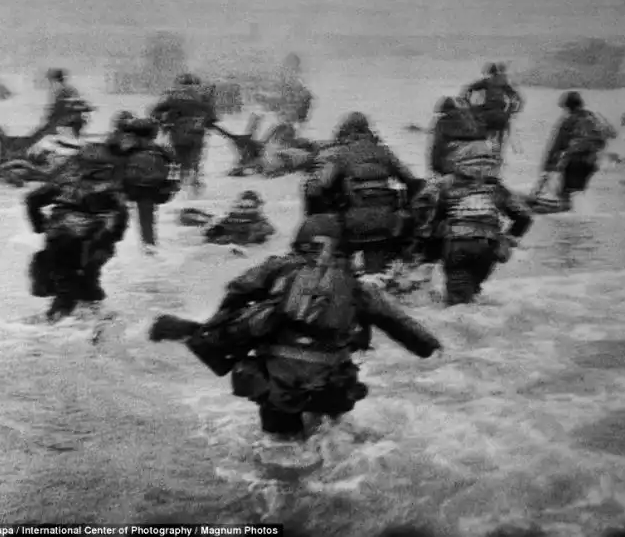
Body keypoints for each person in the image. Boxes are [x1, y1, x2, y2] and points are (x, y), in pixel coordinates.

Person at [148, 214, 441, 463]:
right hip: (332, 386)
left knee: (281, 450)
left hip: (277, 387)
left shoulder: (276, 268)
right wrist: (431, 348)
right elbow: (399, 323)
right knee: (330, 442)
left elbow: (237, 291)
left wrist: (218, 329)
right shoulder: (356, 287)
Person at [304, 112, 426, 274]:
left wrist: (324, 213)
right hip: (386, 225)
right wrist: (406, 210)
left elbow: (319, 188)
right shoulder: (384, 152)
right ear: (368, 131)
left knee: (340, 267)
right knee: (376, 274)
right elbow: (413, 182)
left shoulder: (341, 154)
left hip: (352, 226)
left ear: (344, 133)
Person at [25, 140, 129, 322]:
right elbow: (121, 217)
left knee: (66, 281)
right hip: (92, 242)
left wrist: (39, 225)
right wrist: (112, 238)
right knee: (87, 279)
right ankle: (86, 319)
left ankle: (62, 320)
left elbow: (32, 200)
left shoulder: (65, 182)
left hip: (59, 237)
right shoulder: (111, 188)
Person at [434, 140, 533, 305]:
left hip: (457, 247)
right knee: (472, 291)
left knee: (456, 303)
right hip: (488, 248)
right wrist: (508, 238)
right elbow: (524, 216)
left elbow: (433, 219)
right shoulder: (496, 189)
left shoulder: (446, 186)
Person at [538, 91, 615, 210]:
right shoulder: (593, 117)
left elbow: (556, 146)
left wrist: (546, 168)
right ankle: (578, 217)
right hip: (592, 162)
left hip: (575, 161)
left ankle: (565, 217)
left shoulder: (568, 120)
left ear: (567, 106)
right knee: (578, 192)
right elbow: (610, 134)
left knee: (565, 194)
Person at [118, 115, 179, 256]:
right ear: (153, 133)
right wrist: (173, 185)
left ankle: (145, 245)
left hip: (132, 188)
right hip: (152, 189)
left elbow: (117, 168)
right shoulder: (162, 150)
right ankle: (149, 244)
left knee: (125, 215)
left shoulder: (127, 150)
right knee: (147, 218)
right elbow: (174, 167)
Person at [150, 73, 217, 198]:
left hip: (178, 132)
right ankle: (192, 181)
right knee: (195, 159)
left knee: (180, 158)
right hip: (197, 134)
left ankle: (182, 184)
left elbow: (155, 112)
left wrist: (164, 121)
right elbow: (212, 116)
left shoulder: (172, 95)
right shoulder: (202, 96)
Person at [460, 63, 523, 151]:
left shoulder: (487, 81)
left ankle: (475, 146)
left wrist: (466, 101)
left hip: (489, 110)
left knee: (472, 116)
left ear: (489, 73)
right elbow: (517, 97)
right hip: (502, 113)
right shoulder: (504, 82)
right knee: (502, 130)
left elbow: (470, 88)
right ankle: (499, 150)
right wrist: (512, 111)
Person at [429, 96, 488, 177]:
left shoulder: (443, 122)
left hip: (457, 167)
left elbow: (437, 148)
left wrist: (435, 168)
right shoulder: (477, 121)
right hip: (486, 163)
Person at [203, 190, 276, 246]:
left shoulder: (258, 220)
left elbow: (269, 230)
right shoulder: (232, 217)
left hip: (238, 243)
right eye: (244, 205)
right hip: (231, 242)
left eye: (248, 205)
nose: (245, 208)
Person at [46, 68, 92, 138]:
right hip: (69, 124)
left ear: (56, 80)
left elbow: (73, 107)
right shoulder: (61, 91)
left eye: (52, 81)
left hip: (70, 124)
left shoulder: (64, 91)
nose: (51, 84)